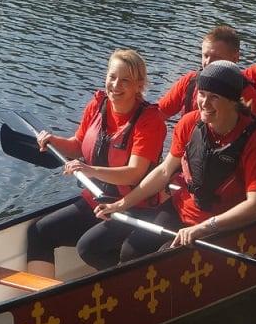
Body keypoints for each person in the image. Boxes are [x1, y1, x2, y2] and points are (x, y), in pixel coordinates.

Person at [85, 62, 256, 267]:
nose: (204, 103)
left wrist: (204, 228)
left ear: (233, 102)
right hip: (182, 208)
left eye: (214, 97)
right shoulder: (190, 123)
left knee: (165, 258)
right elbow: (164, 171)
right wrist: (119, 205)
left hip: (222, 222)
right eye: (202, 94)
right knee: (132, 251)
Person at [26, 49, 167, 279]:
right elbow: (78, 145)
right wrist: (53, 141)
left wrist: (89, 170)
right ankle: (38, 303)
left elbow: (134, 174)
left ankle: (125, 282)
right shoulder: (97, 105)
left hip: (134, 206)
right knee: (39, 232)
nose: (115, 85)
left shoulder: (149, 121)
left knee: (89, 248)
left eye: (125, 80)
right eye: (112, 77)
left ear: (139, 85)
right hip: (97, 198)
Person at [156, 25, 256, 119]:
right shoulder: (190, 82)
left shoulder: (249, 97)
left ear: (235, 58)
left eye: (216, 57)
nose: (208, 62)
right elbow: (159, 114)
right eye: (205, 56)